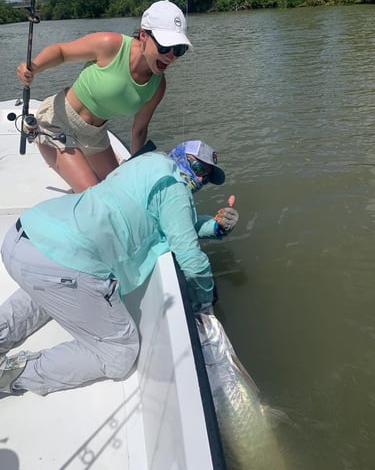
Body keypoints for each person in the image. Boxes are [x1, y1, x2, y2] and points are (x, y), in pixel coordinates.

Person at [0, 140, 239, 397]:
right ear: (180, 157)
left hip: (24, 238)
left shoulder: (145, 163)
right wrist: (204, 302)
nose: (201, 179)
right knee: (120, 353)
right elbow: (192, 262)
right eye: (198, 168)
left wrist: (213, 228)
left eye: (208, 176)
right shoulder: (174, 187)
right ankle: (15, 375)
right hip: (65, 262)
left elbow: (169, 223)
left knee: (46, 291)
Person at [16, 0, 192, 193]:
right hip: (58, 122)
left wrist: (136, 168)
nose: (170, 57)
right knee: (95, 194)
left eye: (179, 50)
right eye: (165, 47)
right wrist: (34, 67)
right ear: (143, 36)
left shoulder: (158, 86)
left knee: (122, 192)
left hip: (96, 136)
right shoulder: (111, 45)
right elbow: (62, 52)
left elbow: (139, 130)